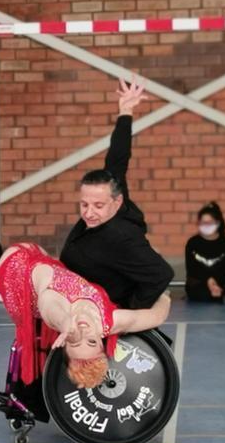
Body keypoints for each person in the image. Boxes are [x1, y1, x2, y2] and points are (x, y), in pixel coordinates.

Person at [59, 77, 174, 311]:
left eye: (98, 206)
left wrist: (127, 313)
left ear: (117, 202)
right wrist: (125, 111)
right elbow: (118, 157)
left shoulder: (122, 237)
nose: (89, 213)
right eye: (84, 205)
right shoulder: (112, 191)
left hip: (101, 310)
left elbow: (161, 274)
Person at [0, 243, 171, 392]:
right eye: (91, 342)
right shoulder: (109, 322)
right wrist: (164, 295)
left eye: (74, 341)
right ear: (101, 341)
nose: (82, 333)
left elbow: (48, 305)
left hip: (14, 274)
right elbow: (156, 317)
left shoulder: (57, 309)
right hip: (42, 259)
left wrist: (65, 324)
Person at [183, 202, 225, 303]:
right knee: (202, 294)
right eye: (202, 222)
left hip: (219, 283)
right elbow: (192, 269)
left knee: (223, 293)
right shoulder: (193, 242)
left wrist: (215, 283)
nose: (205, 225)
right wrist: (208, 281)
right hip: (198, 284)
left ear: (218, 223)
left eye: (209, 222)